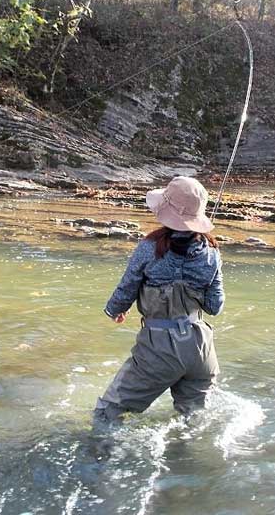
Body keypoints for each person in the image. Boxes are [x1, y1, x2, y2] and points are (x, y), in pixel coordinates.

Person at [94, 176, 225, 426]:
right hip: (201, 351)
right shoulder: (212, 253)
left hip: (160, 348)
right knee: (193, 423)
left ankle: (99, 453)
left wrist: (114, 310)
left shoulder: (149, 247)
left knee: (106, 414)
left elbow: (126, 288)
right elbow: (214, 307)